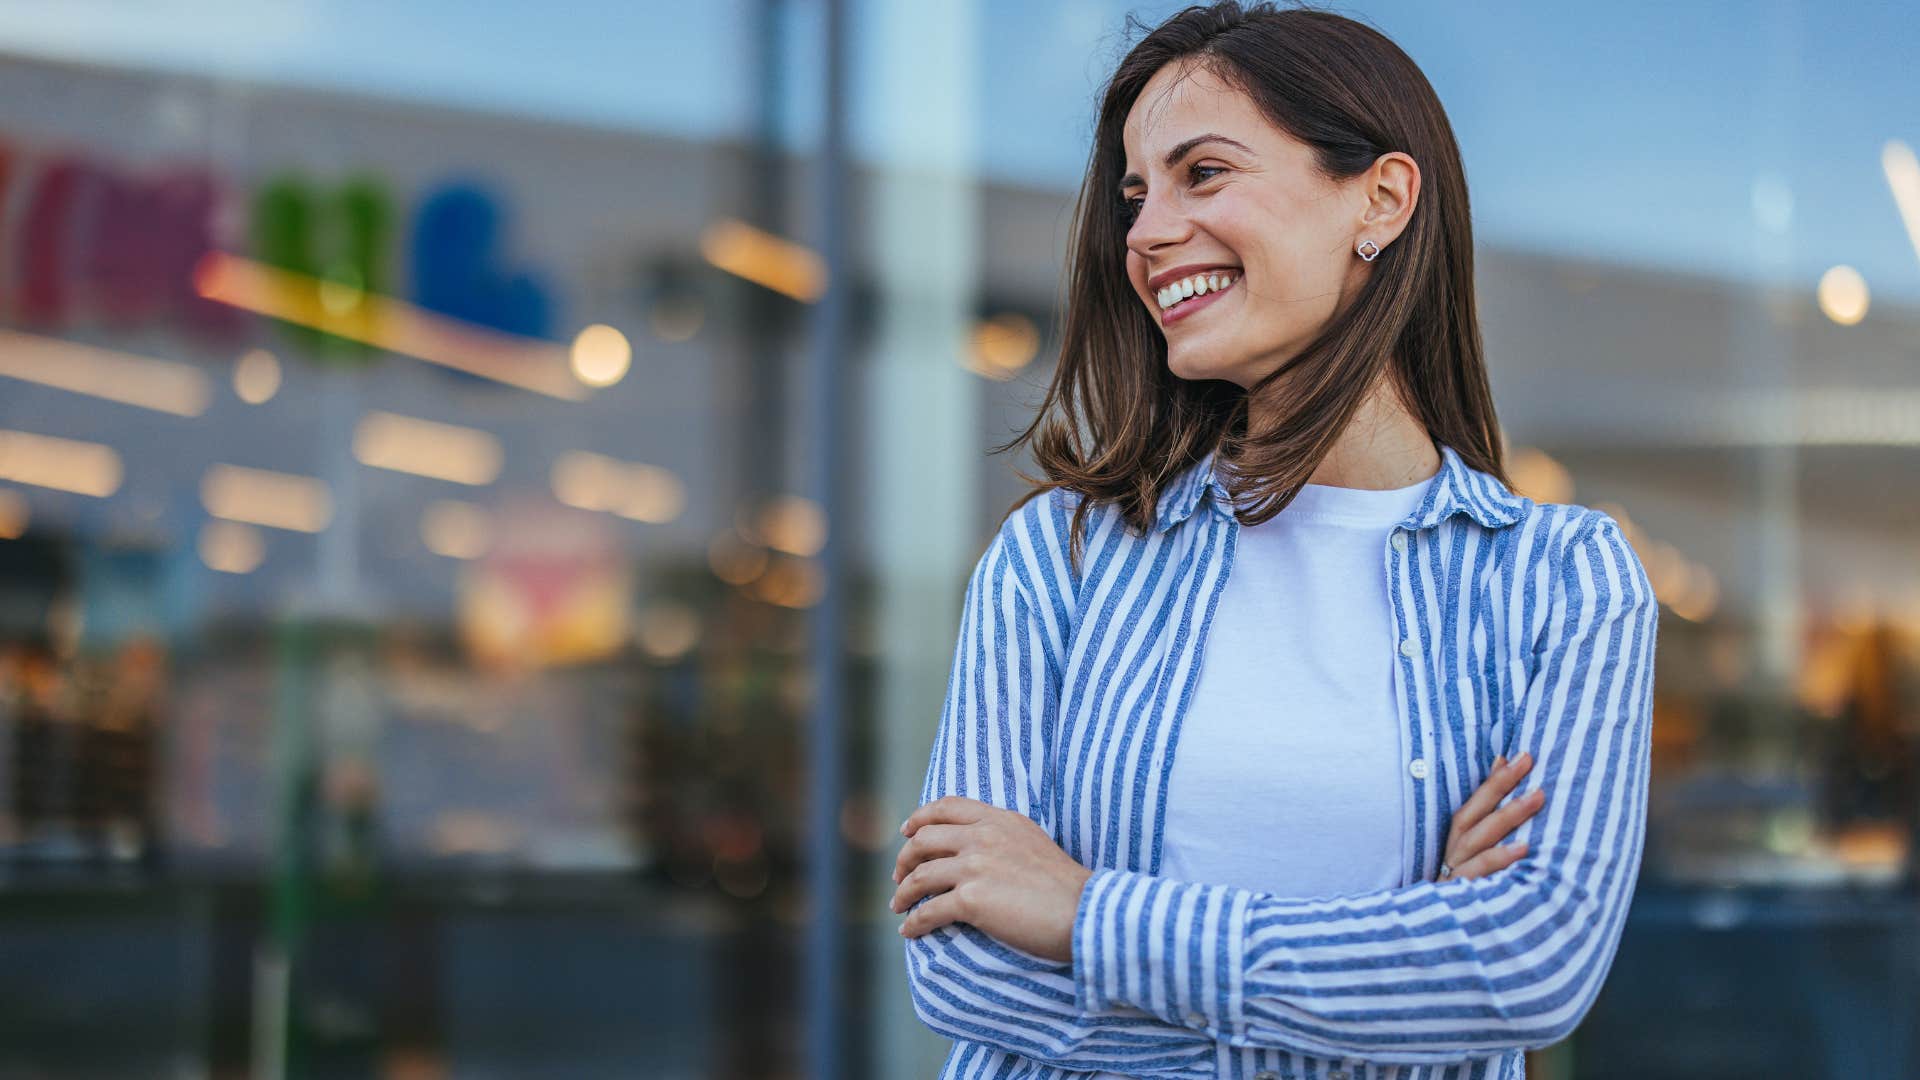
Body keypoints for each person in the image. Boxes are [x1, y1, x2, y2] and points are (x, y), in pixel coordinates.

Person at [887, 3, 1658, 1080]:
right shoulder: (1058, 558)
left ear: (1381, 201)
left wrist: (1083, 914)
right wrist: (1404, 951)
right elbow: (963, 971)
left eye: (1202, 173)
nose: (1146, 235)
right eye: (1136, 193)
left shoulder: (1561, 581)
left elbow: (1529, 970)